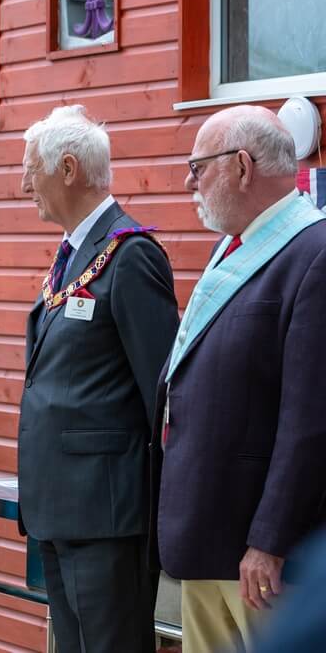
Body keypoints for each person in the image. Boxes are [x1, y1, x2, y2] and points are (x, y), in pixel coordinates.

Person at [153, 105, 326, 652]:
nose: (189, 182)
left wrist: (269, 540)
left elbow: (310, 418)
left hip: (260, 557)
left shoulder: (312, 253)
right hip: (208, 535)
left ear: (243, 167)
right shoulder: (234, 245)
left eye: (198, 166)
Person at [16, 105, 179, 653]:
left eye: (29, 170)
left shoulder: (130, 255)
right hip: (61, 503)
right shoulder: (72, 254)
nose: (23, 185)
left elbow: (162, 389)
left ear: (68, 169)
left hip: (107, 510)